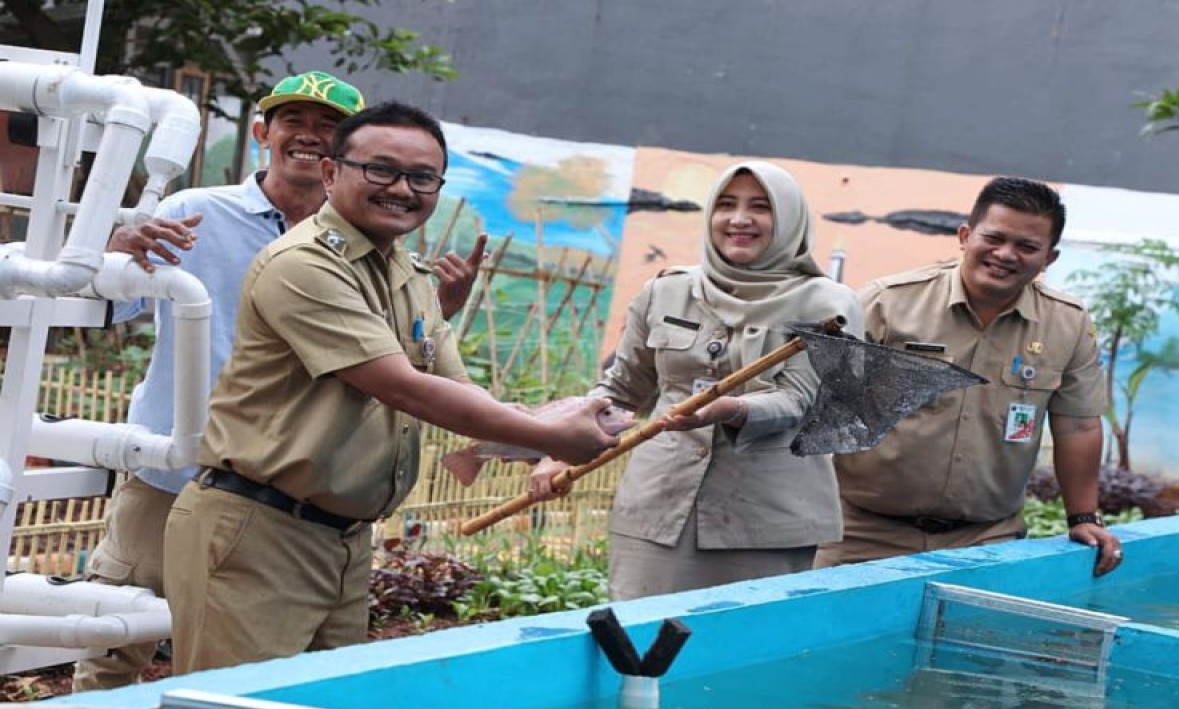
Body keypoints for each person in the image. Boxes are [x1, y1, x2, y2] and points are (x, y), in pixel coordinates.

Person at [162, 101, 618, 674]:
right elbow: (405, 389)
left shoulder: (408, 273)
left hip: (343, 541)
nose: (402, 188)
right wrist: (553, 434)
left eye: (422, 177)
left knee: (324, 707)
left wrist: (553, 432)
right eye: (380, 170)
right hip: (260, 532)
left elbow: (457, 391)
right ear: (331, 173)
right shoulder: (303, 265)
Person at [72, 72, 484, 691]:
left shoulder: (372, 247)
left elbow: (384, 367)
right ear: (265, 132)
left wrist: (436, 313)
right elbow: (98, 305)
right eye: (294, 121)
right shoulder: (194, 212)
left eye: (328, 126)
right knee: (116, 641)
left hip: (283, 490)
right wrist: (113, 252)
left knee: (268, 678)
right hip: (174, 469)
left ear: (345, 155)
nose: (309, 136)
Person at [533, 161, 862, 601]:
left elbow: (800, 401)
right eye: (726, 205)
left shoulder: (830, 305)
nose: (739, 219)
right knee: (641, 642)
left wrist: (730, 409)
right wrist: (560, 450)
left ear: (788, 220)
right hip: (658, 505)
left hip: (767, 520)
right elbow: (620, 388)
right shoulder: (666, 290)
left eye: (760, 207)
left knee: (744, 653)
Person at [813, 176, 1124, 577]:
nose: (1006, 254)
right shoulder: (885, 304)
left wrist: (1083, 516)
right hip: (858, 533)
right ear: (964, 235)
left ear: (1049, 258)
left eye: (1027, 247)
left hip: (986, 539)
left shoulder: (1067, 324)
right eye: (994, 238)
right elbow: (814, 404)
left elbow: (1078, 425)